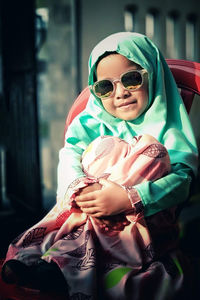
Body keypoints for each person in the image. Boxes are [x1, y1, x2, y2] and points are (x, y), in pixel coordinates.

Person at [1, 32, 198, 299]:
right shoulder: (91, 123)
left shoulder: (169, 131)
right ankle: (55, 263)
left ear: (154, 74)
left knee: (153, 151)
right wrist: (79, 189)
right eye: (105, 87)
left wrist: (129, 198)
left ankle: (57, 267)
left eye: (131, 79)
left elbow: (181, 182)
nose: (120, 93)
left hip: (141, 225)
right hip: (89, 211)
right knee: (102, 149)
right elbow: (70, 154)